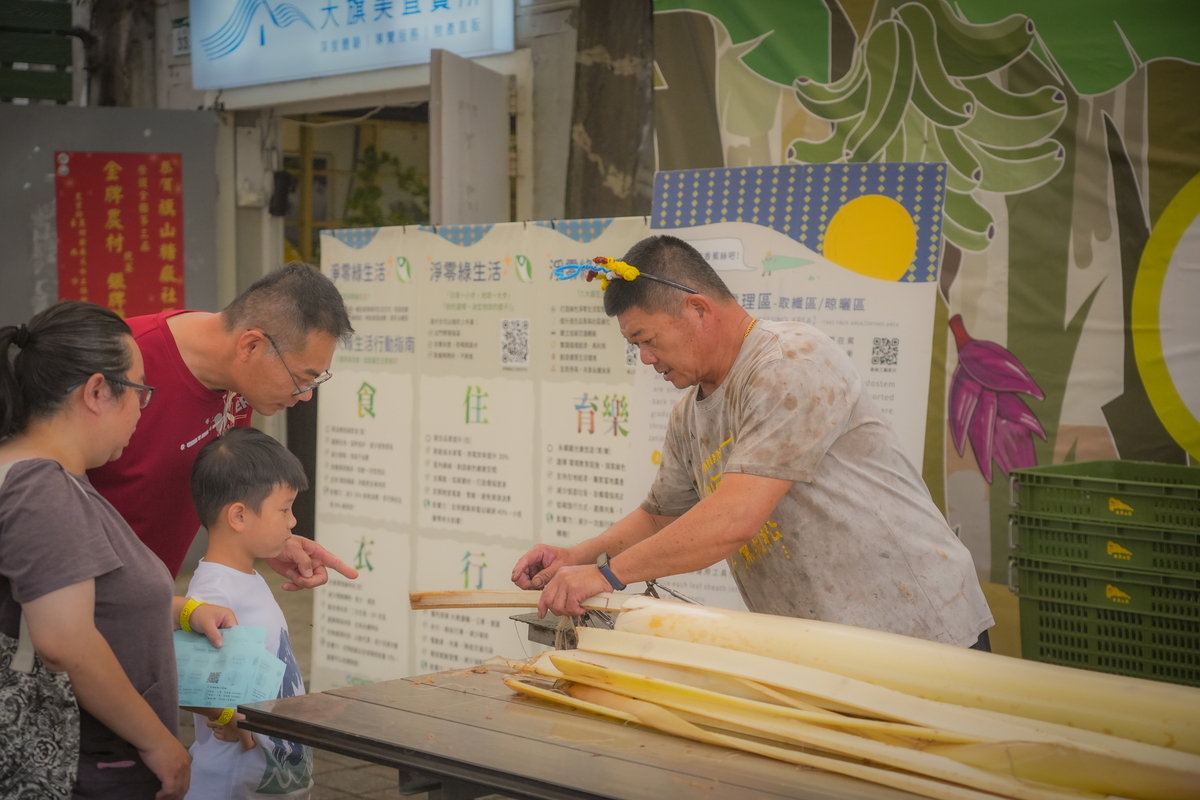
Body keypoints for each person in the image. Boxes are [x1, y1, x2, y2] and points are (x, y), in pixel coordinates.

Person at [512, 237, 994, 649]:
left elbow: (734, 518)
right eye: (634, 345)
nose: (644, 358)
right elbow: (660, 514)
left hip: (917, 630)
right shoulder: (688, 414)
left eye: (647, 339)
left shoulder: (790, 362)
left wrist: (609, 575)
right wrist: (577, 557)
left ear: (697, 309)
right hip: (826, 645)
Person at [0, 302, 235, 799]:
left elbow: (79, 601)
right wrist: (159, 743)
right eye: (140, 390)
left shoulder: (46, 476)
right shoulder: (41, 486)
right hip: (85, 765)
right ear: (98, 391)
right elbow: (64, 639)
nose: (142, 409)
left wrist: (182, 611)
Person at [88, 263, 359, 590]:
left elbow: (218, 491)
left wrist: (268, 539)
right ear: (251, 346)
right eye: (302, 379)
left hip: (147, 599)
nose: (304, 397)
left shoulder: (242, 381)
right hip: (80, 599)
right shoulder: (122, 365)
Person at [182, 427, 314, 799]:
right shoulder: (212, 591)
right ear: (239, 515)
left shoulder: (246, 575)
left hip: (268, 777)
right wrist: (223, 714)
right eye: (284, 509)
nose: (292, 521)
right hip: (232, 783)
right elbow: (188, 678)